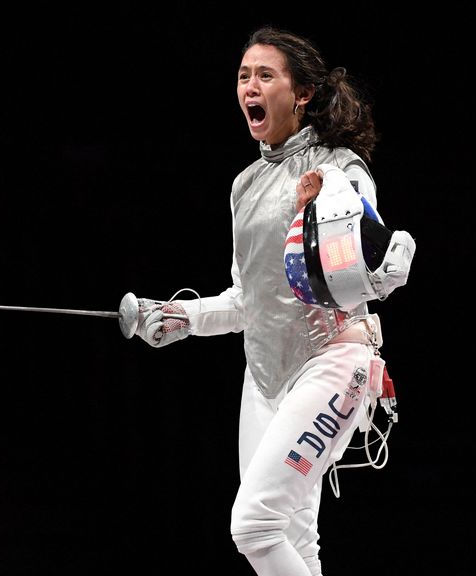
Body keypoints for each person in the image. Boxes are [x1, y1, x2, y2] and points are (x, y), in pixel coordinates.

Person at [131, 26, 414, 576]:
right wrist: (178, 315)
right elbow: (247, 300)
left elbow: (369, 259)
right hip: (263, 379)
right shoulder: (243, 186)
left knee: (254, 524)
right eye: (243, 76)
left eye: (265, 75)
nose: (250, 87)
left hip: (331, 362)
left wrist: (334, 212)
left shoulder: (338, 165)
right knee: (294, 538)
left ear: (302, 93)